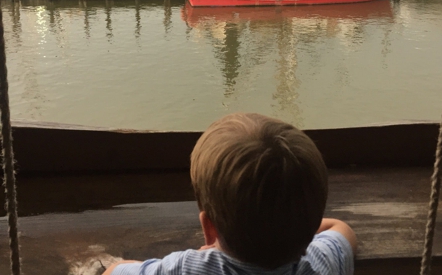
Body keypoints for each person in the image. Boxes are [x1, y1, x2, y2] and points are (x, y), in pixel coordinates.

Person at [104, 113, 356, 275]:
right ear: (309, 230)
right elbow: (343, 230)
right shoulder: (322, 264)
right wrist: (298, 228)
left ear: (209, 228)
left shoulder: (183, 269)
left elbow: (112, 272)